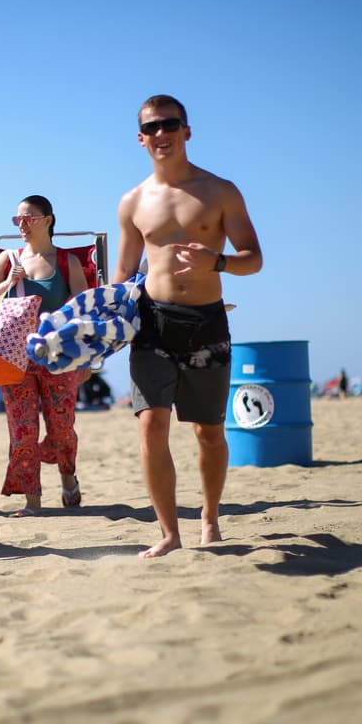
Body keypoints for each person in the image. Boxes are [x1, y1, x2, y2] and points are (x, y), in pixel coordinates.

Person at [112, 94, 263, 558]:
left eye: (170, 124)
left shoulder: (220, 191)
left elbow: (253, 259)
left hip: (205, 323)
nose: (162, 134)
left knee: (208, 433)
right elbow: (122, 273)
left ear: (187, 131)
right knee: (151, 426)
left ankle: (210, 517)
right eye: (152, 128)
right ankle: (169, 531)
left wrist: (215, 261)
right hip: (152, 324)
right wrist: (98, 321)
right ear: (140, 138)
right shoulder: (133, 202)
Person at [0, 195, 89, 517]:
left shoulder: (67, 263)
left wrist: (87, 358)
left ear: (48, 220)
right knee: (22, 429)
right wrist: (7, 283)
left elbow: (82, 310)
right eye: (17, 220)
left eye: (29, 218)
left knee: (62, 426)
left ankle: (67, 474)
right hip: (15, 357)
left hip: (58, 356)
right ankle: (32, 500)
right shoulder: (8, 259)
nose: (22, 225)